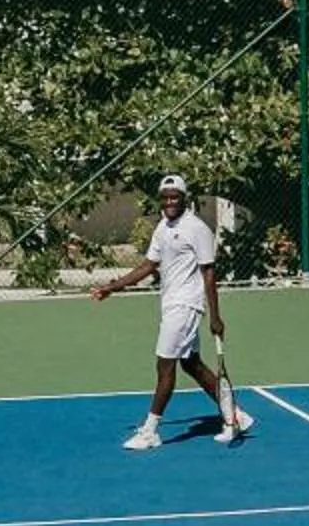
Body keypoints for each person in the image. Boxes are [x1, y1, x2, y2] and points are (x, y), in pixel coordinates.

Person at [90, 171, 252, 450]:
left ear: (184, 198)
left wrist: (215, 316)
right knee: (192, 365)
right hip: (170, 304)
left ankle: (150, 431)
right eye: (165, 198)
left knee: (165, 365)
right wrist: (112, 287)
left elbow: (209, 273)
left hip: (186, 306)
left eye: (174, 197)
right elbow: (148, 265)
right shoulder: (162, 227)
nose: (169, 202)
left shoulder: (197, 228)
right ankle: (235, 416)